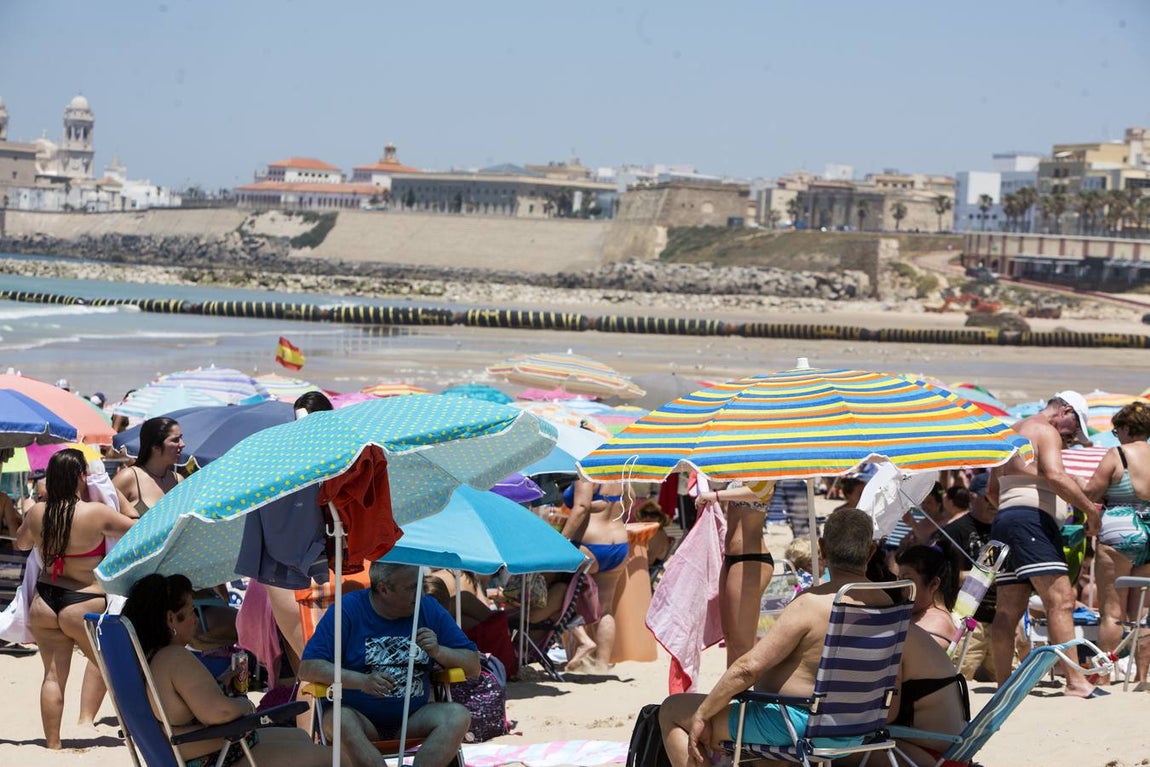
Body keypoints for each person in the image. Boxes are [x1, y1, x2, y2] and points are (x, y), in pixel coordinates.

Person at [657, 508, 889, 764]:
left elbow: (748, 668)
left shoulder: (812, 603)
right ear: (870, 551)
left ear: (821, 548)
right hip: (857, 728)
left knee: (673, 709)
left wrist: (704, 712)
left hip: (798, 727)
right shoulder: (888, 603)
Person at [122, 573, 331, 767]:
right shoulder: (174, 657)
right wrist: (246, 705)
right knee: (333, 759)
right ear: (171, 619)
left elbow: (188, 705)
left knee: (301, 737)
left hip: (202, 750)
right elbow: (220, 713)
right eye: (189, 610)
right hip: (220, 756)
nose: (196, 618)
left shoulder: (153, 659)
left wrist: (220, 683)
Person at [298, 562, 480, 767]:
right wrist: (361, 681)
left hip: (413, 720)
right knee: (339, 720)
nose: (420, 593)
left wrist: (439, 651)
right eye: (412, 587)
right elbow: (308, 667)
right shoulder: (348, 610)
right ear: (384, 588)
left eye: (420, 584)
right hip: (361, 719)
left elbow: (473, 665)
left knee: (458, 716)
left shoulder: (427, 608)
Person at [15, 448, 136, 749]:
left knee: (52, 676)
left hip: (44, 601)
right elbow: (137, 527)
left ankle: (53, 745)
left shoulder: (37, 513)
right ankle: (142, 731)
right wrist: (114, 495)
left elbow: (20, 543)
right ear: (82, 477)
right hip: (83, 602)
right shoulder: (96, 513)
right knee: (117, 671)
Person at [987, 391, 1103, 698]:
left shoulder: (1011, 432)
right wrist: (1091, 511)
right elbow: (1055, 475)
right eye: (1074, 427)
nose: (1072, 435)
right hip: (1031, 522)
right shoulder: (1046, 430)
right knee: (1062, 599)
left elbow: (990, 491)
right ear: (1064, 410)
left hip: (1004, 520)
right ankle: (1076, 681)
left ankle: (1004, 684)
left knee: (1007, 609)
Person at [1084, 401, 1150, 686]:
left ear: (1125, 428)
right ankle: (1143, 677)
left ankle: (1104, 677)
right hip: (1149, 532)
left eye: (1116, 430)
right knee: (1143, 612)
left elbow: (1092, 493)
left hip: (1120, 531)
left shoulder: (1117, 454)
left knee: (1112, 612)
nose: (1116, 435)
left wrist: (1077, 482)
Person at [694, 480, 777, 666]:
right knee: (730, 639)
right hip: (732, 559)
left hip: (751, 558)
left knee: (742, 644)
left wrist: (715, 496)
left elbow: (760, 491)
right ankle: (737, 693)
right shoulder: (739, 467)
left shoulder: (768, 469)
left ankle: (747, 693)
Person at [561, 477, 631, 671]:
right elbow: (628, 501)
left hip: (590, 543)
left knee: (562, 595)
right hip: (618, 542)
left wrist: (561, 540)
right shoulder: (620, 473)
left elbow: (581, 507)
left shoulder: (586, 472)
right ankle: (601, 665)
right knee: (606, 608)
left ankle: (584, 642)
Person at [937, 471, 999, 680]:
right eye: (988, 497)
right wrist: (972, 576)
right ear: (972, 497)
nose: (994, 503)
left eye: (998, 496)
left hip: (1003, 619)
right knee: (961, 677)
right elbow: (939, 574)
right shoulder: (954, 531)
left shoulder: (1006, 528)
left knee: (1007, 678)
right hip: (969, 618)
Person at [113, 416, 184, 516]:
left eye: (181, 438)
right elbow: (101, 519)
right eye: (175, 440)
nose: (182, 444)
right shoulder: (128, 478)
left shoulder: (178, 481)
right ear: (155, 446)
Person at [896, 545, 961, 650]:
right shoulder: (922, 615)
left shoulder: (938, 624)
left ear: (934, 584)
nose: (900, 586)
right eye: (899, 579)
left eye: (907, 580)